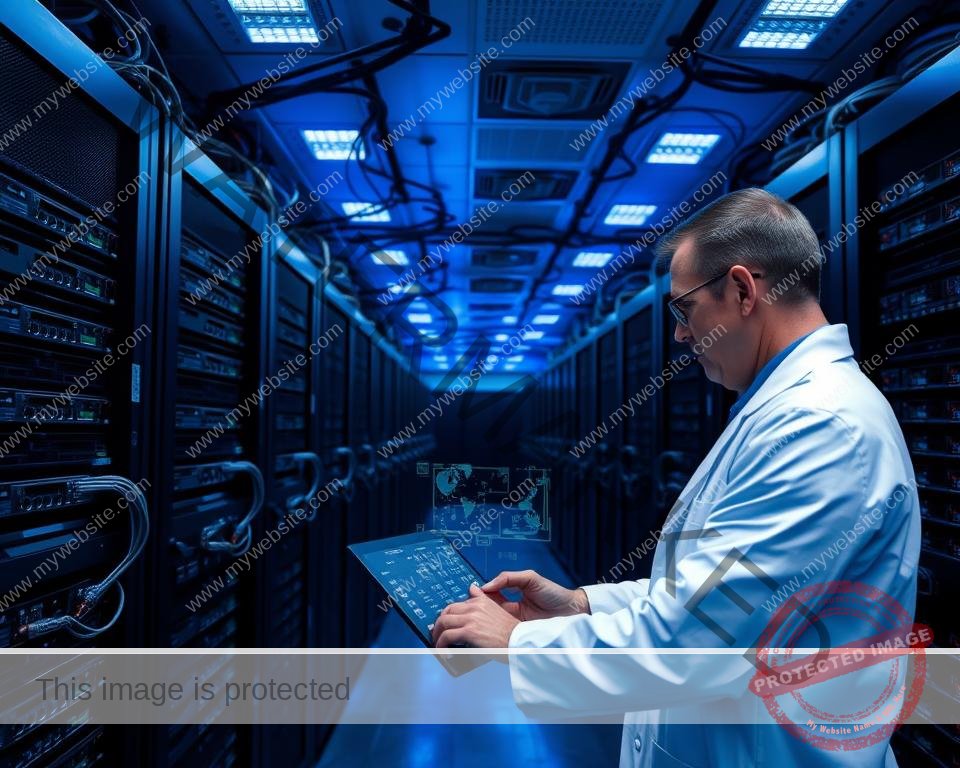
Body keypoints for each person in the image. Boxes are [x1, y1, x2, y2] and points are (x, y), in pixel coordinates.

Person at [431, 188, 920, 767]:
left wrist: (520, 642)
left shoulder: (820, 426)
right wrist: (584, 606)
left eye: (684, 310)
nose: (681, 336)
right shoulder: (785, 412)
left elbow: (705, 634)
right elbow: (715, 590)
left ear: (742, 290)